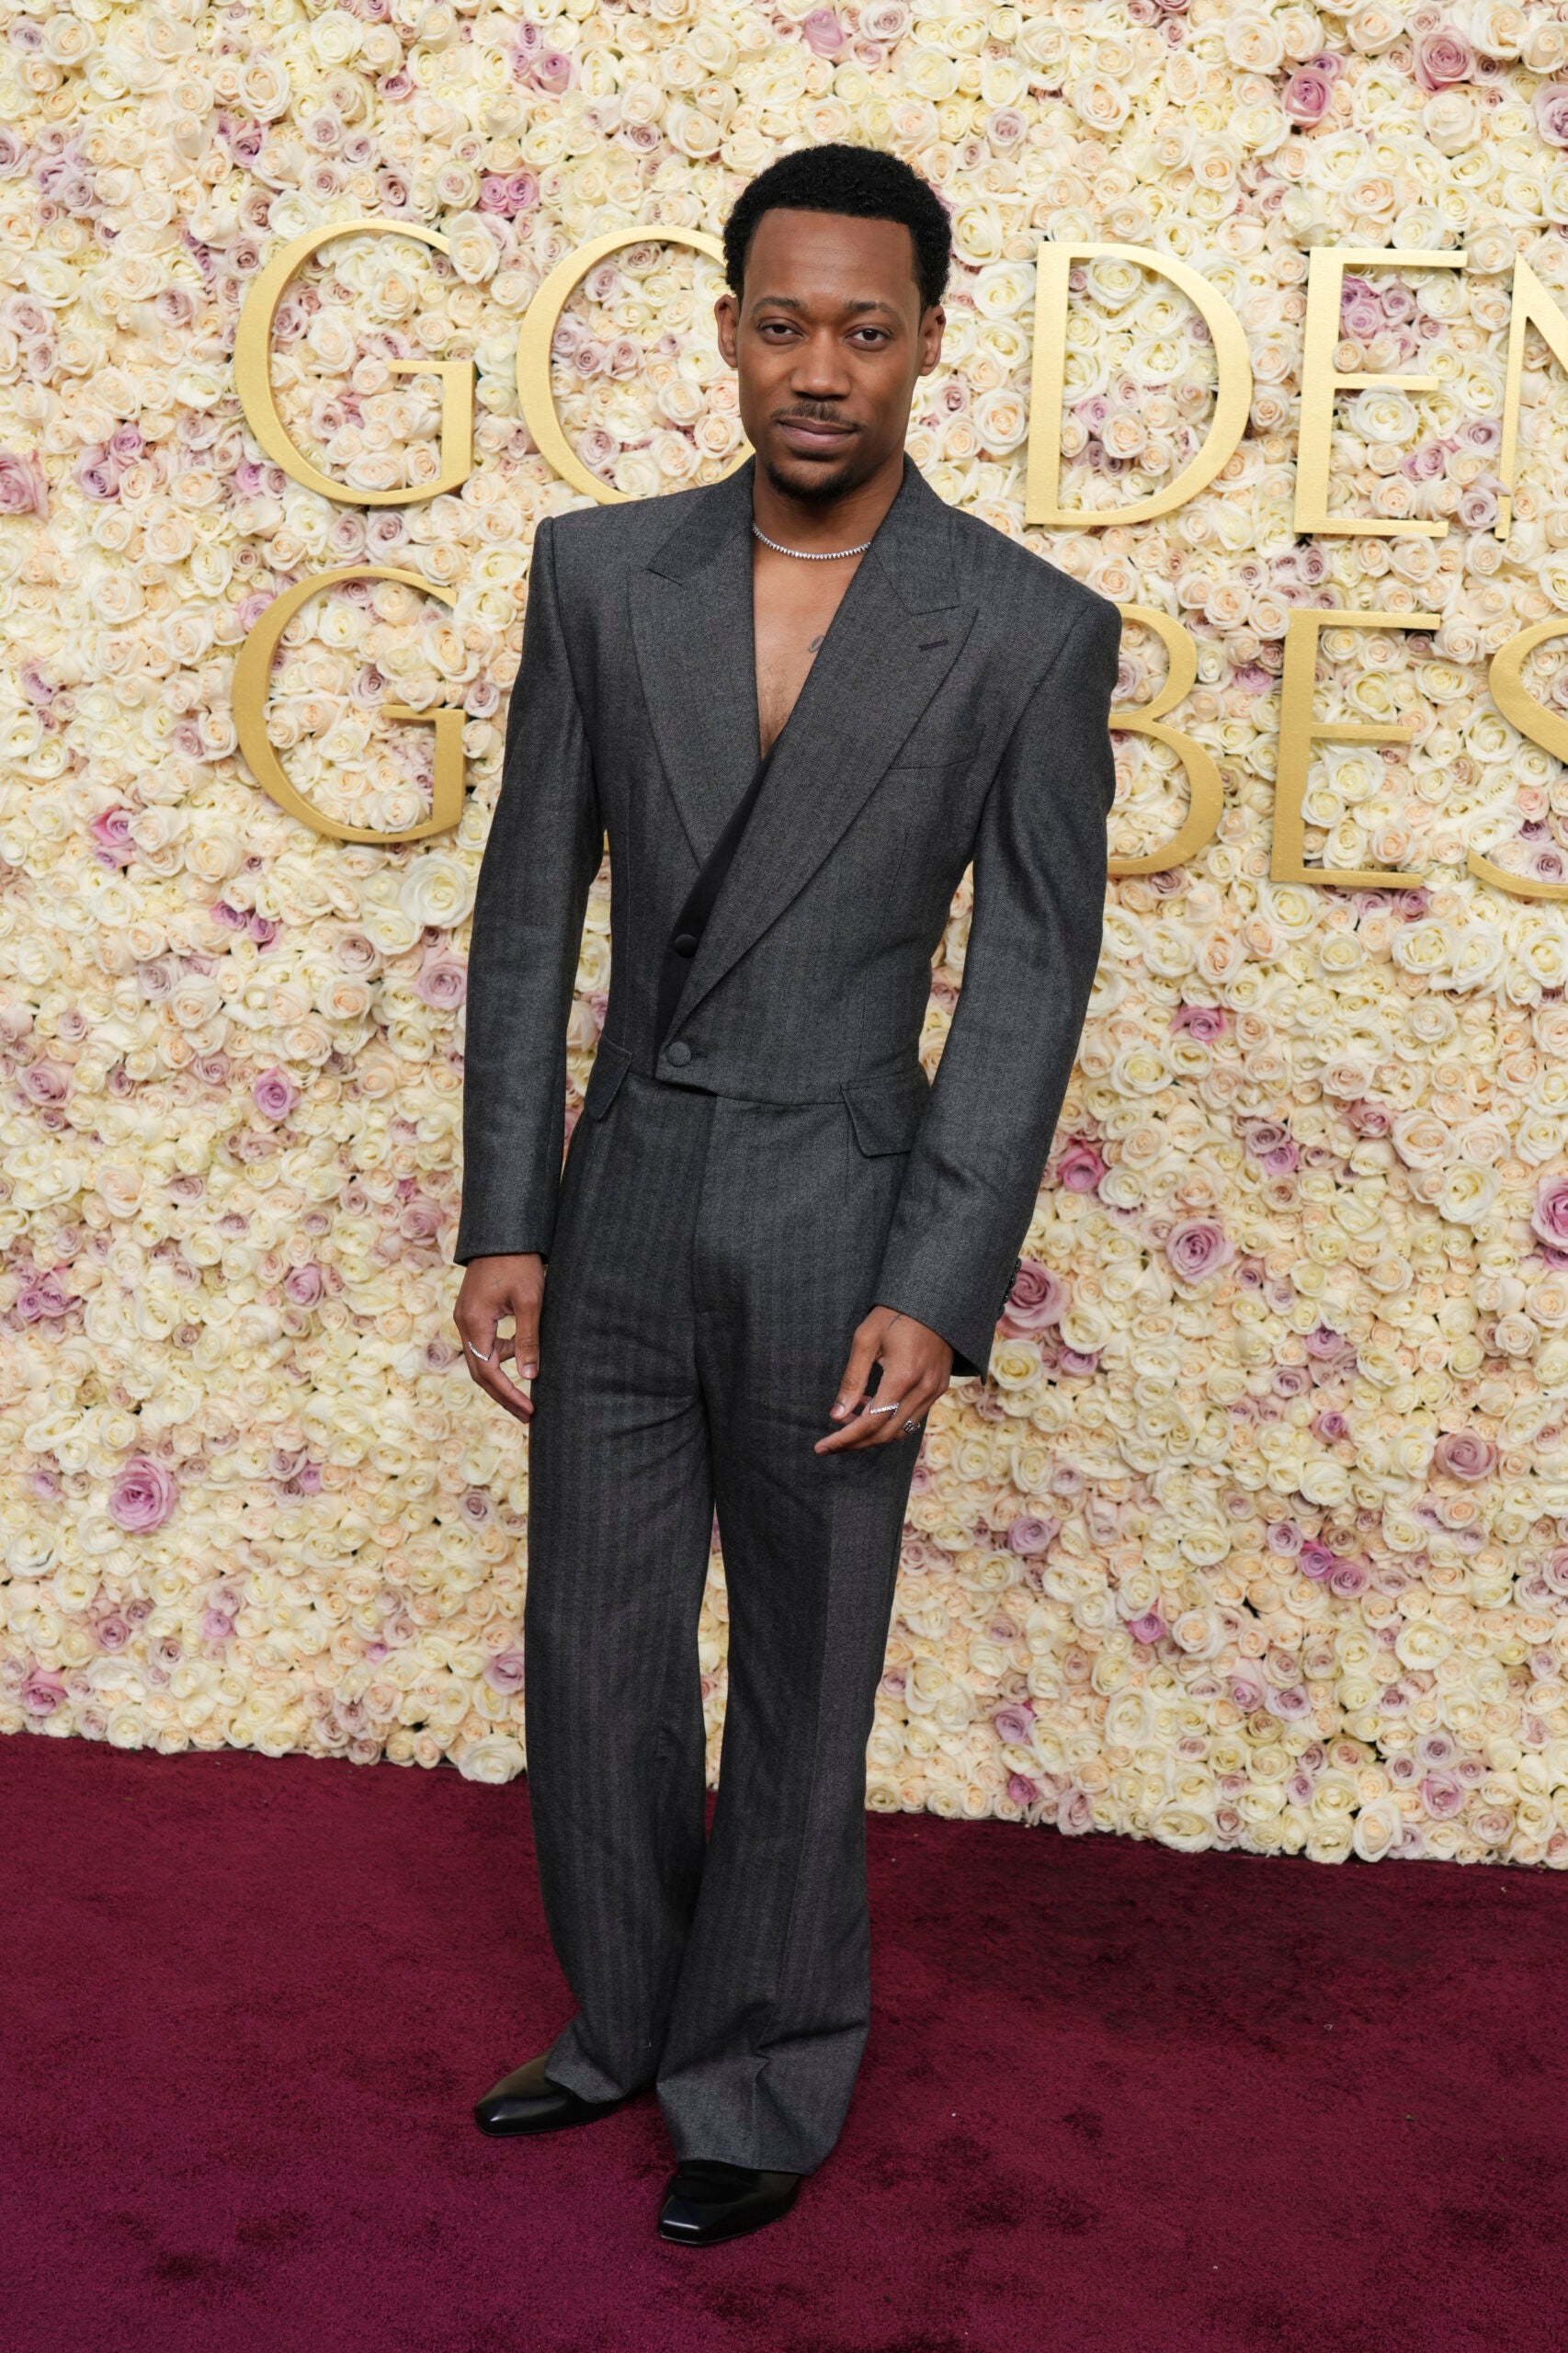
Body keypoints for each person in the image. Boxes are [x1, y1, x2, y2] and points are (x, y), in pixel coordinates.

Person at [453, 143, 1119, 2246]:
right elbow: (517, 917)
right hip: (625, 1184)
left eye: (864, 326)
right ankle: (623, 2017)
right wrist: (505, 1212)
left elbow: (1025, 975)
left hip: (844, 1204)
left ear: (927, 340)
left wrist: (940, 1277)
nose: (815, 365)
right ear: (726, 323)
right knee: (597, 1641)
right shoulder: (595, 571)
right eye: (779, 318)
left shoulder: (1022, 628)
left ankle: (763, 2070)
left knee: (809, 1666)